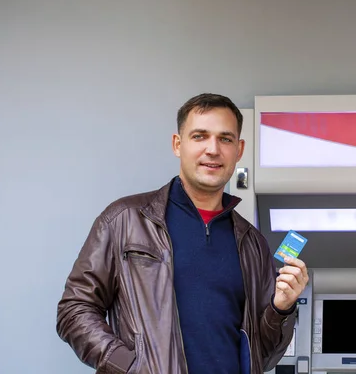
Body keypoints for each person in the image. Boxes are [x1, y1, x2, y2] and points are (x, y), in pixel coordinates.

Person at [56, 93, 309, 374]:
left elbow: (264, 355)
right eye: (200, 136)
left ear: (239, 150)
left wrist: (282, 309)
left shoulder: (251, 243)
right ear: (178, 144)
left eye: (225, 139)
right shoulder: (125, 220)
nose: (212, 149)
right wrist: (129, 366)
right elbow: (75, 309)